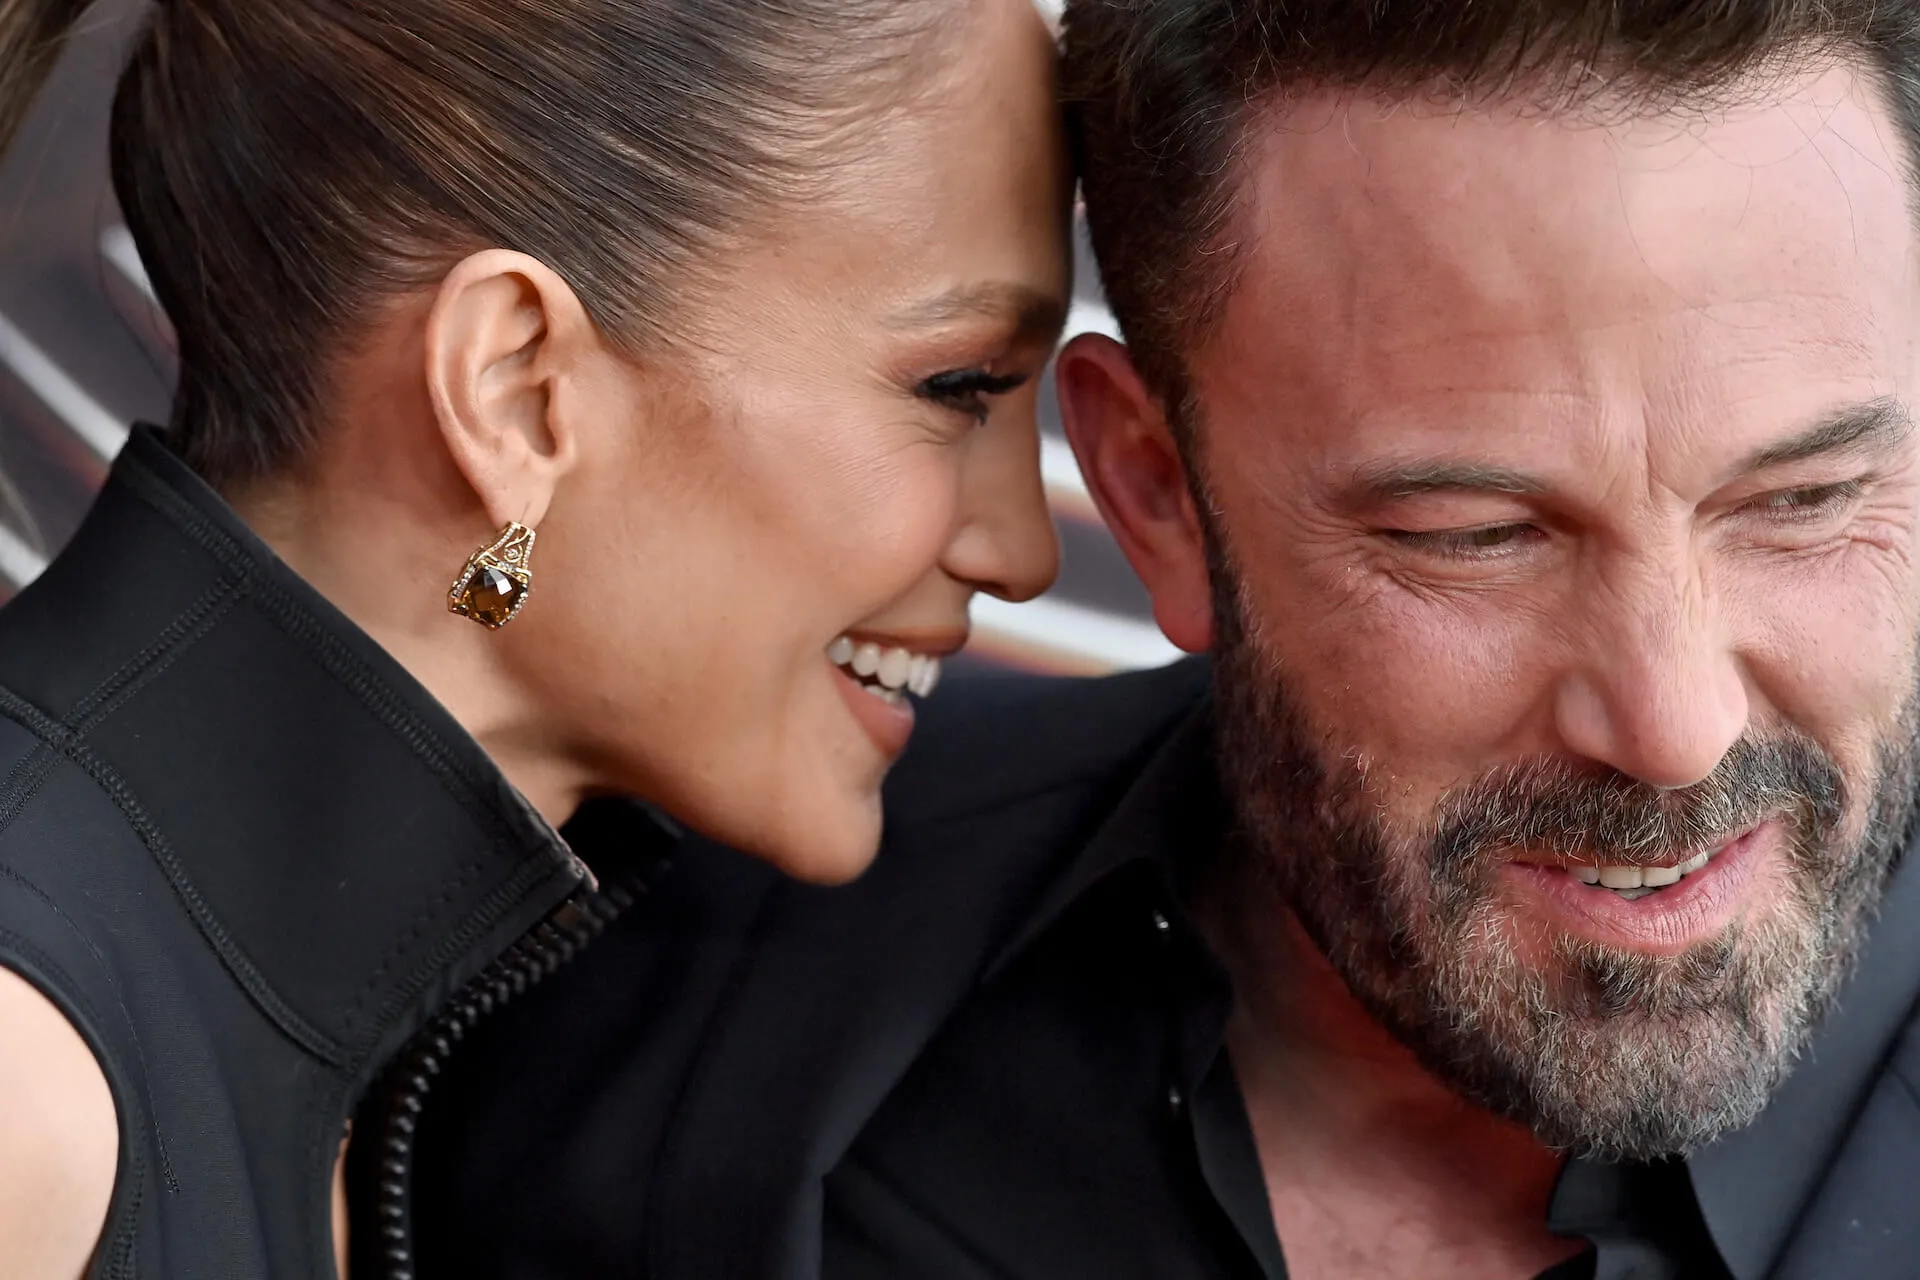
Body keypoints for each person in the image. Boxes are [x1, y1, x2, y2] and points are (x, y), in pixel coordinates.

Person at [401, 1, 1920, 1278]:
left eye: (1807, 502)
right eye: (1475, 536)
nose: (1676, 725)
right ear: (1155, 493)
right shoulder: (631, 946)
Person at [0, 0, 1069, 1275]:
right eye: (958, 388)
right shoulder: (27, 1080)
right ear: (515, 386)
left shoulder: (342, 1051)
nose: (1023, 550)